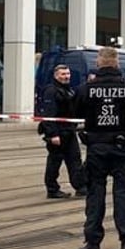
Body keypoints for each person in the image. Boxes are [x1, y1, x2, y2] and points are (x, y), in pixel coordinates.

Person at [74, 47, 125, 249]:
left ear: (99, 63)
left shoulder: (87, 87)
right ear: (117, 63)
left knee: (95, 195)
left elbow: (75, 112)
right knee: (123, 194)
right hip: (122, 148)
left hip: (96, 149)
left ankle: (92, 244)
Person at [39, 64, 86, 199]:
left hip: (69, 131)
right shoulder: (51, 91)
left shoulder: (69, 90)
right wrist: (52, 134)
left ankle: (80, 186)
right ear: (56, 75)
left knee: (75, 160)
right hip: (58, 133)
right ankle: (52, 189)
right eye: (63, 74)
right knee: (55, 161)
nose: (66, 77)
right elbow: (48, 115)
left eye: (68, 74)